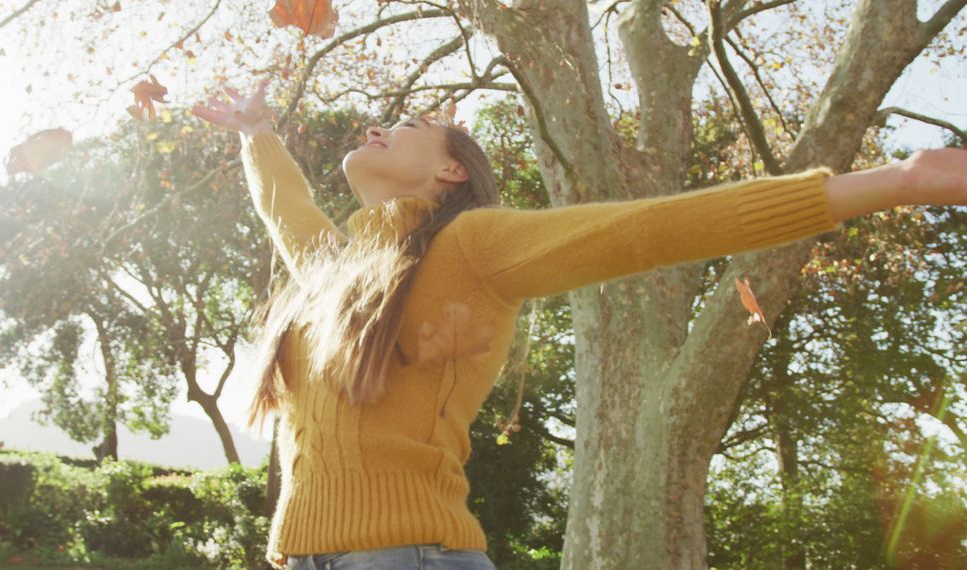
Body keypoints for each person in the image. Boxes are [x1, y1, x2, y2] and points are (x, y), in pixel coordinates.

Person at [191, 81, 966, 570]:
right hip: (304, 555)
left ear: (452, 170)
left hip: (407, 556)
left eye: (410, 123)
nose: (375, 128)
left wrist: (895, 181)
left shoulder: (471, 243)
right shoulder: (333, 271)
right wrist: (256, 133)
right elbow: (283, 208)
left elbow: (651, 229)